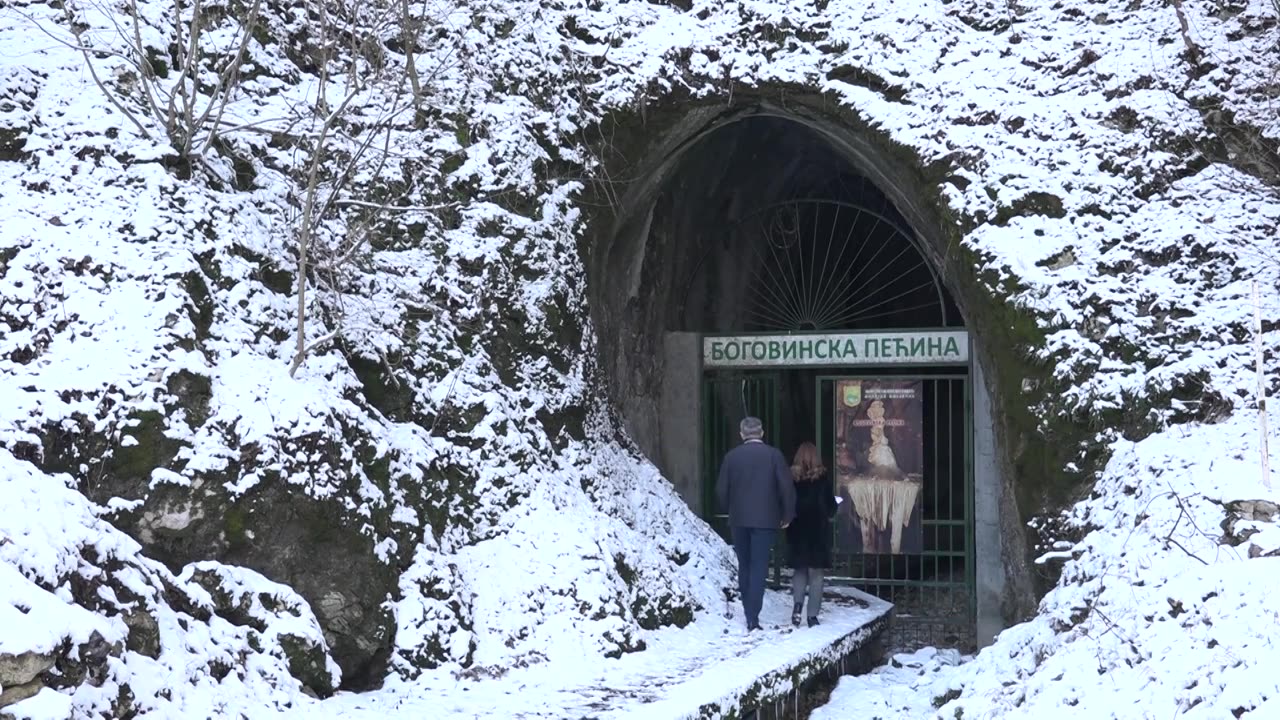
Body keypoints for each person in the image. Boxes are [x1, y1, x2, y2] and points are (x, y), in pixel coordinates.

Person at [716, 416, 796, 631]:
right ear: (762, 433)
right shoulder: (773, 456)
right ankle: (754, 615)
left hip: (739, 519)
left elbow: (721, 491)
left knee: (745, 564)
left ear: (741, 434)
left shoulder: (731, 457)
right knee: (759, 565)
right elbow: (786, 488)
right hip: (766, 519)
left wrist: (729, 509)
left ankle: (748, 611)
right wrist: (787, 515)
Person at [785, 442, 837, 627]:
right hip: (817, 532)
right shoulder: (822, 480)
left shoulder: (791, 478)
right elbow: (830, 507)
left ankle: (797, 605)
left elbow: (786, 503)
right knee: (816, 575)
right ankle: (812, 616)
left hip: (797, 530)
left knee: (799, 570)